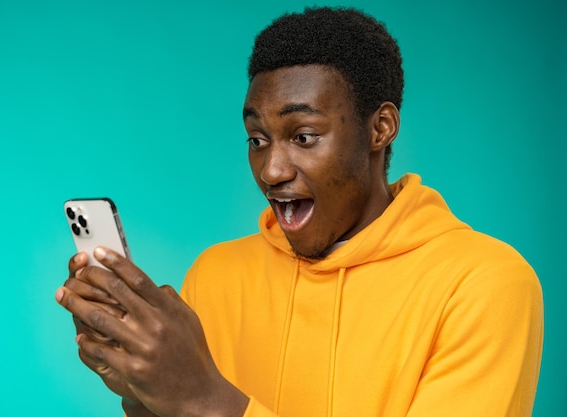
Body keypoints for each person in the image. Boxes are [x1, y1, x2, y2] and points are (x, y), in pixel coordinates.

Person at [55, 6, 543, 417]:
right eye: (257, 139)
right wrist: (144, 393)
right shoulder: (215, 275)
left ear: (381, 129)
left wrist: (207, 399)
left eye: (303, 136)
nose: (271, 170)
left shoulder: (483, 284)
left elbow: (205, 405)